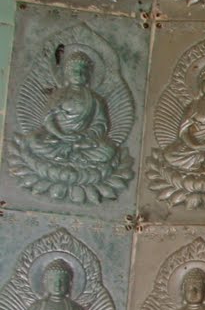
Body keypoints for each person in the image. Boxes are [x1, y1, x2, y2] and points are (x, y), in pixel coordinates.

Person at [12, 51, 130, 200]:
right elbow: (48, 119)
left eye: (82, 71)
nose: (78, 74)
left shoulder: (95, 99)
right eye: (74, 71)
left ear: (88, 75)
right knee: (32, 140)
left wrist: (84, 136)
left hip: (83, 140)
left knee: (108, 150)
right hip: (57, 137)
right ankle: (73, 154)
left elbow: (100, 124)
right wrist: (61, 134)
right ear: (66, 73)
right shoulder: (59, 94)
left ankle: (68, 153)